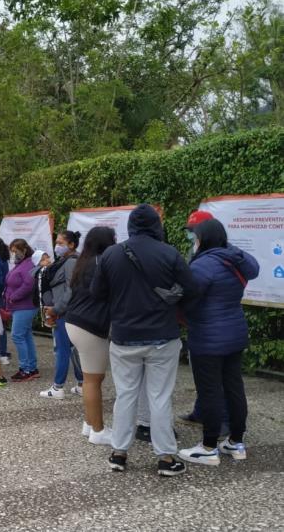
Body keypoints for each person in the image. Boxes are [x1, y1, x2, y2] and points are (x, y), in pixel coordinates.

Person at [91, 204, 198, 477]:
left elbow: (97, 293)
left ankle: (118, 454)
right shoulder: (169, 253)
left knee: (126, 395)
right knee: (159, 397)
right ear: (155, 225)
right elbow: (193, 288)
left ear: (130, 226)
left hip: (124, 337)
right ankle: (165, 458)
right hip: (163, 336)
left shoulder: (111, 255)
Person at [178, 219, 259, 466]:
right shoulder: (236, 259)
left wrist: (180, 315)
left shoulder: (204, 265)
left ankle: (209, 446)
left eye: (196, 237)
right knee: (234, 388)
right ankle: (236, 442)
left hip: (207, 337)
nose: (194, 241)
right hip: (235, 333)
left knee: (210, 391)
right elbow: (253, 271)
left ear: (204, 239)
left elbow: (189, 298)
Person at [65, 227, 116, 445]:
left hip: (75, 322)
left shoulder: (83, 262)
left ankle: (89, 423)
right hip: (91, 326)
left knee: (90, 378)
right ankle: (98, 430)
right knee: (94, 380)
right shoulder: (102, 263)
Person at [40, 230, 84, 399]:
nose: (56, 246)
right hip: (66, 311)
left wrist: (56, 309)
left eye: (60, 243)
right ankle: (81, 384)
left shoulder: (71, 262)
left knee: (62, 350)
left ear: (71, 245)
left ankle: (58, 387)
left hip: (64, 312)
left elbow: (70, 289)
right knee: (72, 350)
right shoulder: (66, 260)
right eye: (56, 242)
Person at [5, 239, 39, 382]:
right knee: (25, 336)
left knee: (17, 336)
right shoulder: (21, 264)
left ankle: (25, 369)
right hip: (21, 306)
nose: (13, 254)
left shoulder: (28, 264)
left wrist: (13, 297)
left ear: (24, 250)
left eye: (15, 251)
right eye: (11, 251)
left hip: (24, 306)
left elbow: (28, 284)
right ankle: (31, 367)